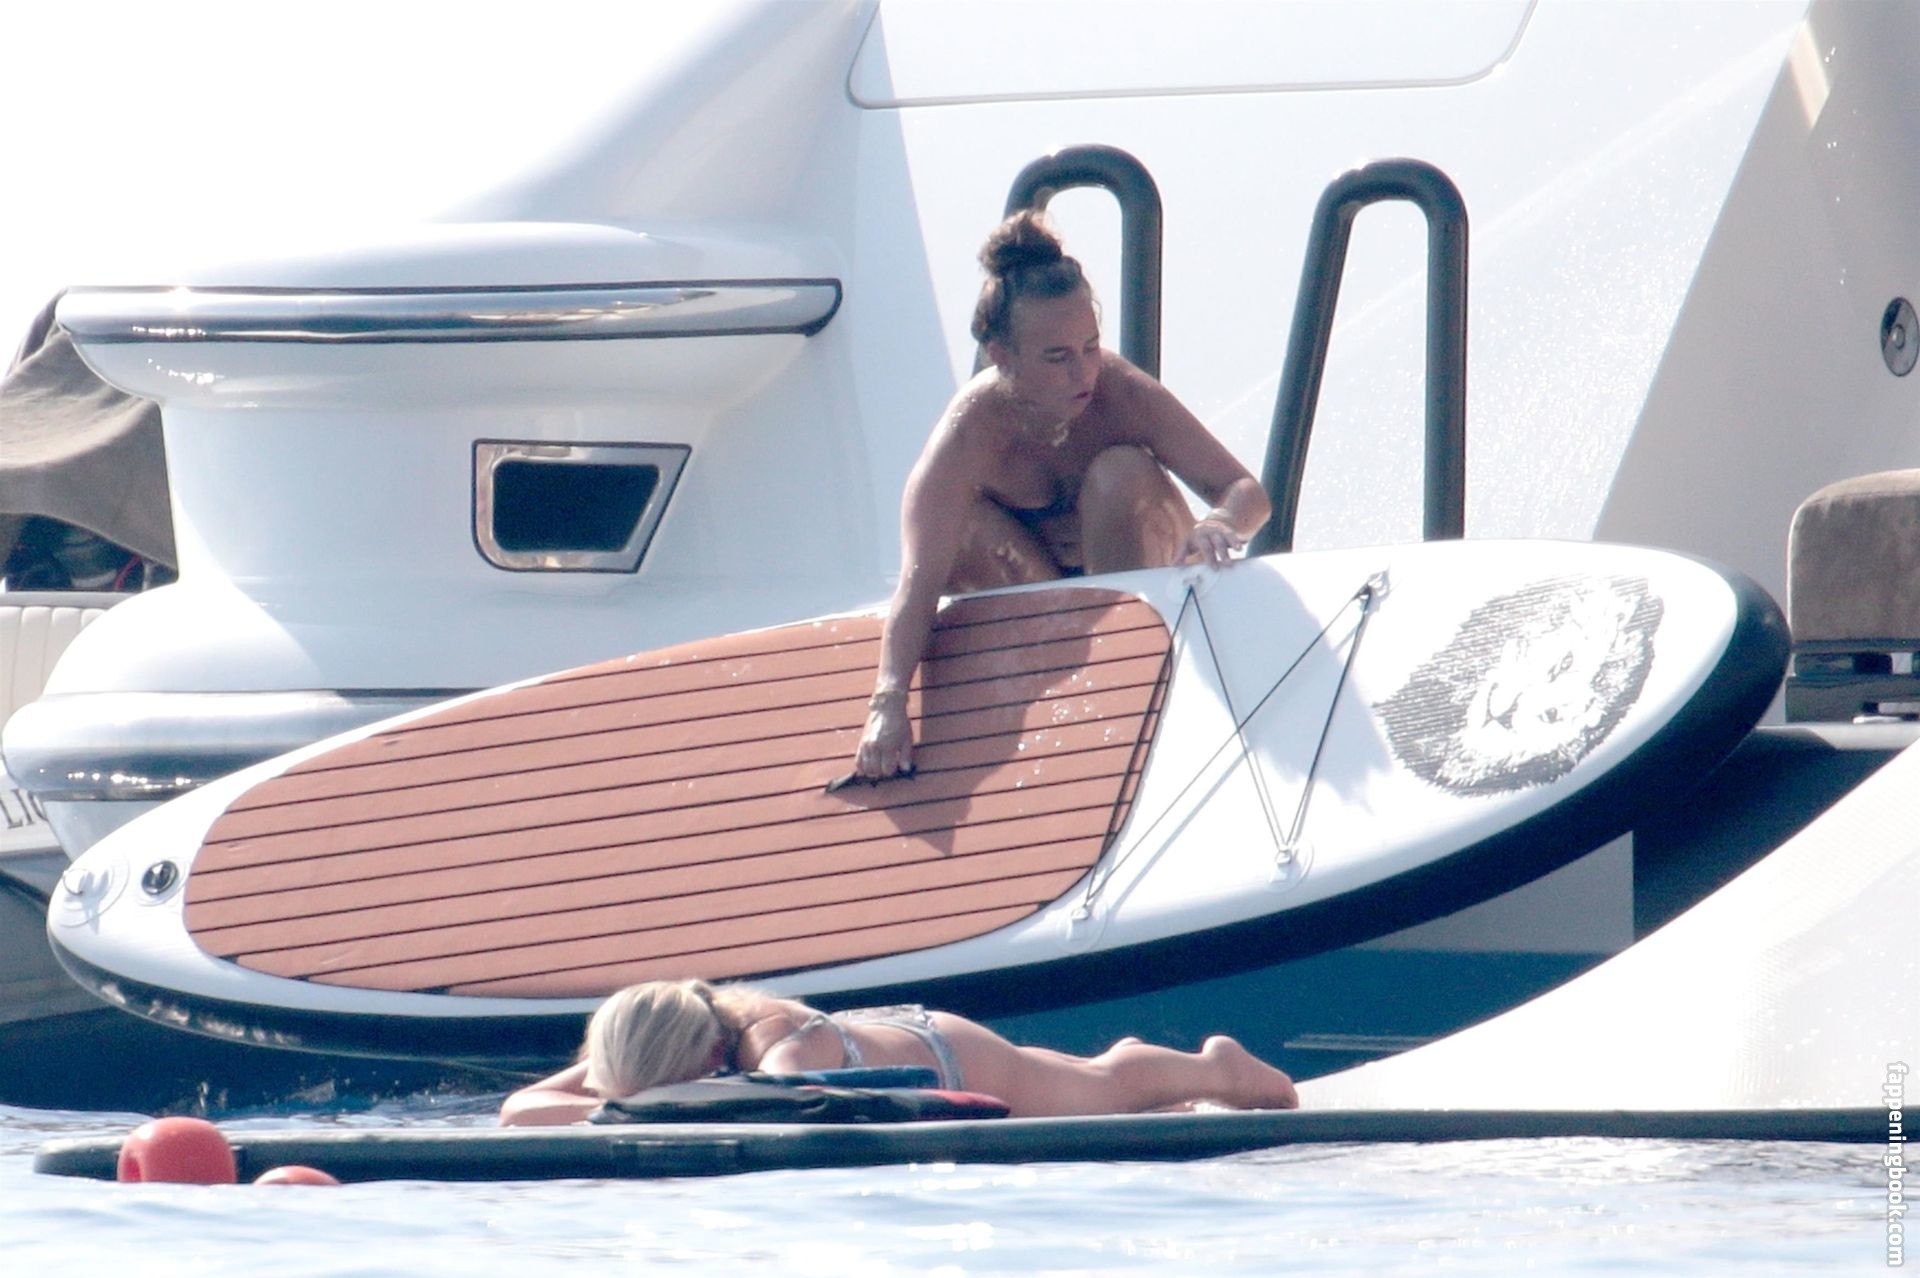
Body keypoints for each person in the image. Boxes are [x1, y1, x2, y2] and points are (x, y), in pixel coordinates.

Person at [853, 210, 1271, 781]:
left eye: (1091, 347)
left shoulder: (1119, 393)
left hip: (1140, 590)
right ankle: (1062, 688)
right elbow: (916, 583)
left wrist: (1220, 522)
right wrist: (887, 703)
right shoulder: (968, 435)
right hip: (1046, 608)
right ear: (1002, 356)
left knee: (1121, 473)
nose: (1084, 373)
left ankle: (1126, 670)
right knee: (962, 526)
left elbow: (1246, 491)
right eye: (1058, 357)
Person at [498, 979, 1299, 1126]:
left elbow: (796, 1109)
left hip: (947, 1054)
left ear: (709, 1056)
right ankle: (1155, 1062)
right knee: (1088, 1077)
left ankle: (1218, 1067)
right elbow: (520, 1109)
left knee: (1105, 1091)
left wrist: (631, 1112)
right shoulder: (658, 1041)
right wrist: (623, 1102)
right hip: (881, 1035)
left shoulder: (773, 1051)